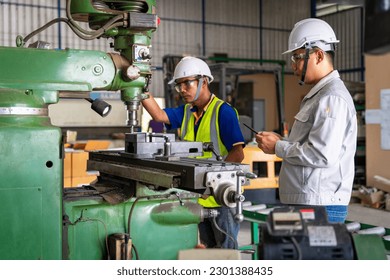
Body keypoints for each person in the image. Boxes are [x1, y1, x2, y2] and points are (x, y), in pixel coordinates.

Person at [255, 18, 357, 223]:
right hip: (310, 200)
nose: (293, 65)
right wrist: (281, 141)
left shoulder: (331, 98)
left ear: (318, 55)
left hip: (320, 204)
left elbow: (321, 154)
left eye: (297, 57)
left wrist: (279, 148)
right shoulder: (319, 95)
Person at [141, 56, 245, 248]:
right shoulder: (187, 111)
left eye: (186, 83)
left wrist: (214, 184)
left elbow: (237, 153)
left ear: (204, 82)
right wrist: (140, 88)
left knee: (226, 250)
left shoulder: (223, 112)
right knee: (207, 249)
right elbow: (159, 115)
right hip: (198, 196)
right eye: (179, 85)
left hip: (219, 197)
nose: (181, 90)